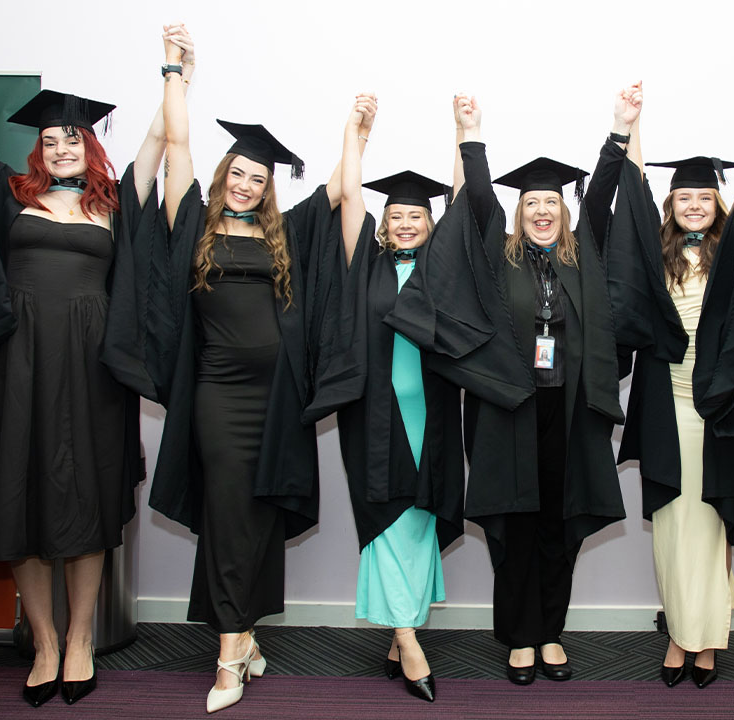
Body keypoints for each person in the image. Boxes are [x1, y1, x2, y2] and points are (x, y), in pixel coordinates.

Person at [0, 12, 192, 708]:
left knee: (85, 504)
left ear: (89, 147)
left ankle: (82, 639)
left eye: (72, 138)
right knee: (17, 500)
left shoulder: (114, 206)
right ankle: (45, 643)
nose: (59, 147)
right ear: (36, 152)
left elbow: (158, 140)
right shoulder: (9, 197)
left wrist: (174, 71)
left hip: (92, 370)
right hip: (14, 367)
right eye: (49, 140)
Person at [385, 90, 632, 685]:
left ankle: (550, 633)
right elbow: (476, 204)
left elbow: (600, 197)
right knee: (516, 529)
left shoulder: (583, 258)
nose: (542, 210)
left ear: (564, 213)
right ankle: (519, 639)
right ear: (520, 213)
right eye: (532, 203)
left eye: (552, 202)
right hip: (508, 412)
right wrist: (471, 136)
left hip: (571, 413)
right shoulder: (501, 258)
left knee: (558, 526)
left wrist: (620, 132)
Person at [149, 30, 359, 714]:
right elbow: (176, 148)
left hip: (278, 401)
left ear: (268, 188)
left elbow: (335, 191)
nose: (245, 183)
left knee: (256, 518)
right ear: (224, 176)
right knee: (230, 514)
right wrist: (177, 69)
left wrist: (357, 128)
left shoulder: (283, 235)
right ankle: (230, 655)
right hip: (218, 399)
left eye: (257, 178)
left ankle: (245, 635)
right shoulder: (194, 225)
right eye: (238, 172)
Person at [607, 97, 734, 685]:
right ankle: (682, 633)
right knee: (675, 521)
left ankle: (704, 640)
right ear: (673, 205)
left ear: (717, 202)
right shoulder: (657, 256)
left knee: (713, 520)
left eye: (705, 196)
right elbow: (635, 193)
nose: (695, 204)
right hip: (668, 406)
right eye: (685, 197)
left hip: (720, 409)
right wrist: (634, 126)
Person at [329, 96, 464, 703]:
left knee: (418, 522)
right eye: (397, 217)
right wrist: (357, 132)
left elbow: (465, 207)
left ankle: (395, 632)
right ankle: (410, 643)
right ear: (384, 223)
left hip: (430, 417)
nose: (406, 224)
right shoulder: (367, 262)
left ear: (430, 224)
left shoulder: (442, 266)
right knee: (385, 521)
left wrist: (466, 135)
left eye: (417, 217)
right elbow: (350, 197)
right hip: (375, 418)